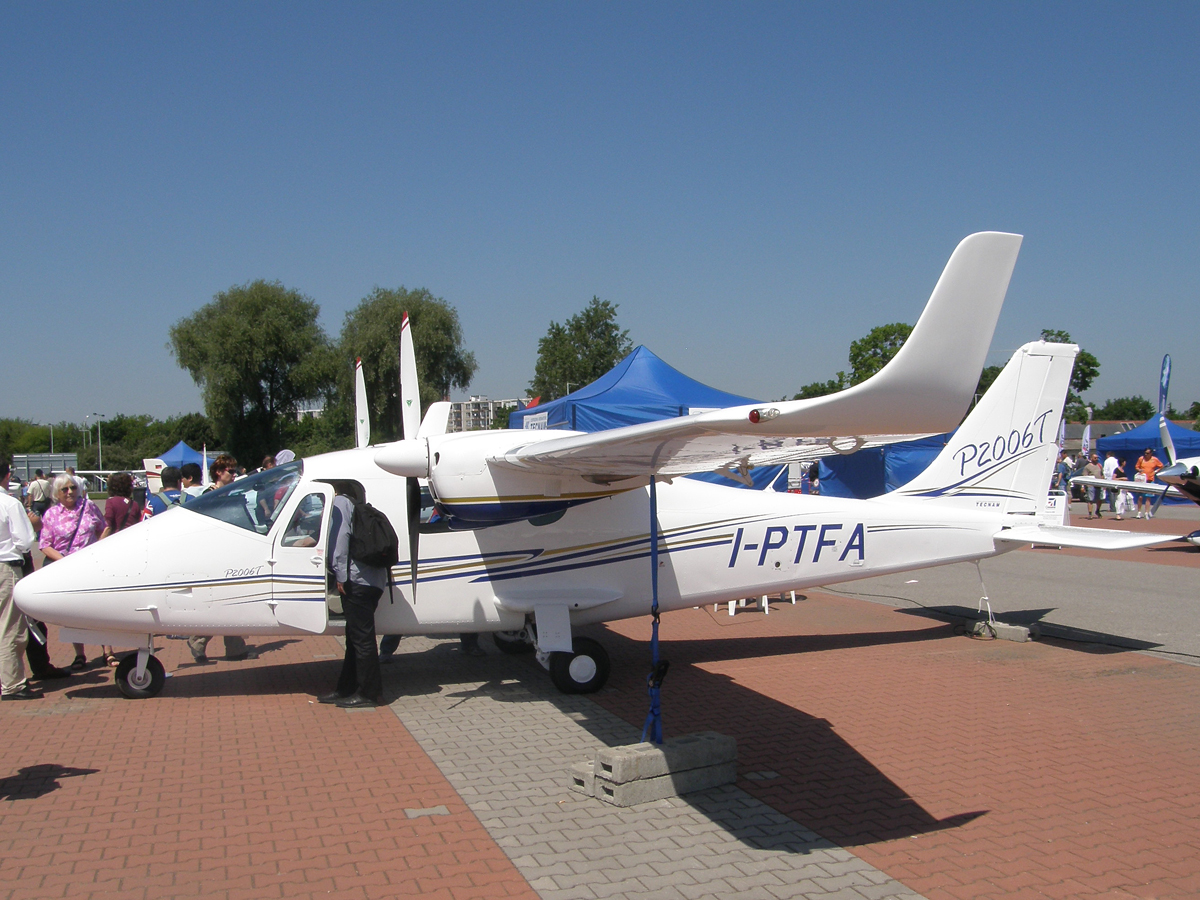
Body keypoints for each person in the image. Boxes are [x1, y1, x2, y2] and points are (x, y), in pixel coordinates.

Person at [320, 482, 387, 708]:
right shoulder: (359, 506)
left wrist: (340, 575)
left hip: (356, 581)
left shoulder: (340, 503)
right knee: (355, 636)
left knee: (362, 639)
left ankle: (369, 693)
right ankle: (346, 687)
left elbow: (340, 540)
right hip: (372, 581)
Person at [39, 473, 105, 670]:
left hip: (91, 567)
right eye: (64, 489)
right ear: (56, 494)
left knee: (98, 608)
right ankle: (80, 654)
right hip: (67, 570)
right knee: (73, 612)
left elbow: (104, 527)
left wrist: (99, 549)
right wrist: (66, 561)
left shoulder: (89, 507)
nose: (70, 492)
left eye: (73, 488)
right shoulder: (51, 514)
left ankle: (107, 651)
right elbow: (44, 544)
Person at [1, 461, 42, 700]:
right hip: (5, 566)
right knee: (9, 628)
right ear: (6, 476)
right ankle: (12, 683)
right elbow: (25, 540)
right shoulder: (9, 503)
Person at [102, 472, 144, 538]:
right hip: (131, 538)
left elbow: (108, 526)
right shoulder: (135, 504)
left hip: (116, 538)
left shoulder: (111, 502)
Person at [1135, 448, 1164, 519]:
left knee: (1148, 497)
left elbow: (1161, 466)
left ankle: (1146, 512)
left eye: (1147, 453)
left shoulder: (1155, 459)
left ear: (1151, 453)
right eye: (1145, 453)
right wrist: (1139, 470)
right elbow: (1136, 466)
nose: (1146, 454)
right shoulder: (1141, 459)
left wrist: (1155, 472)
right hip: (1141, 480)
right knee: (1140, 497)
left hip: (1150, 480)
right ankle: (1139, 512)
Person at [1081, 454, 1103, 519]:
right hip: (1091, 485)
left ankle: (1098, 510)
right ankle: (1090, 514)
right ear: (1091, 458)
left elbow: (1102, 475)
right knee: (1090, 500)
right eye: (1095, 458)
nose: (1096, 459)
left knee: (1100, 499)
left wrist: (1104, 483)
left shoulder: (1099, 465)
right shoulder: (1087, 467)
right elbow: (1084, 476)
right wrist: (1083, 486)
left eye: (1097, 458)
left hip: (1099, 484)